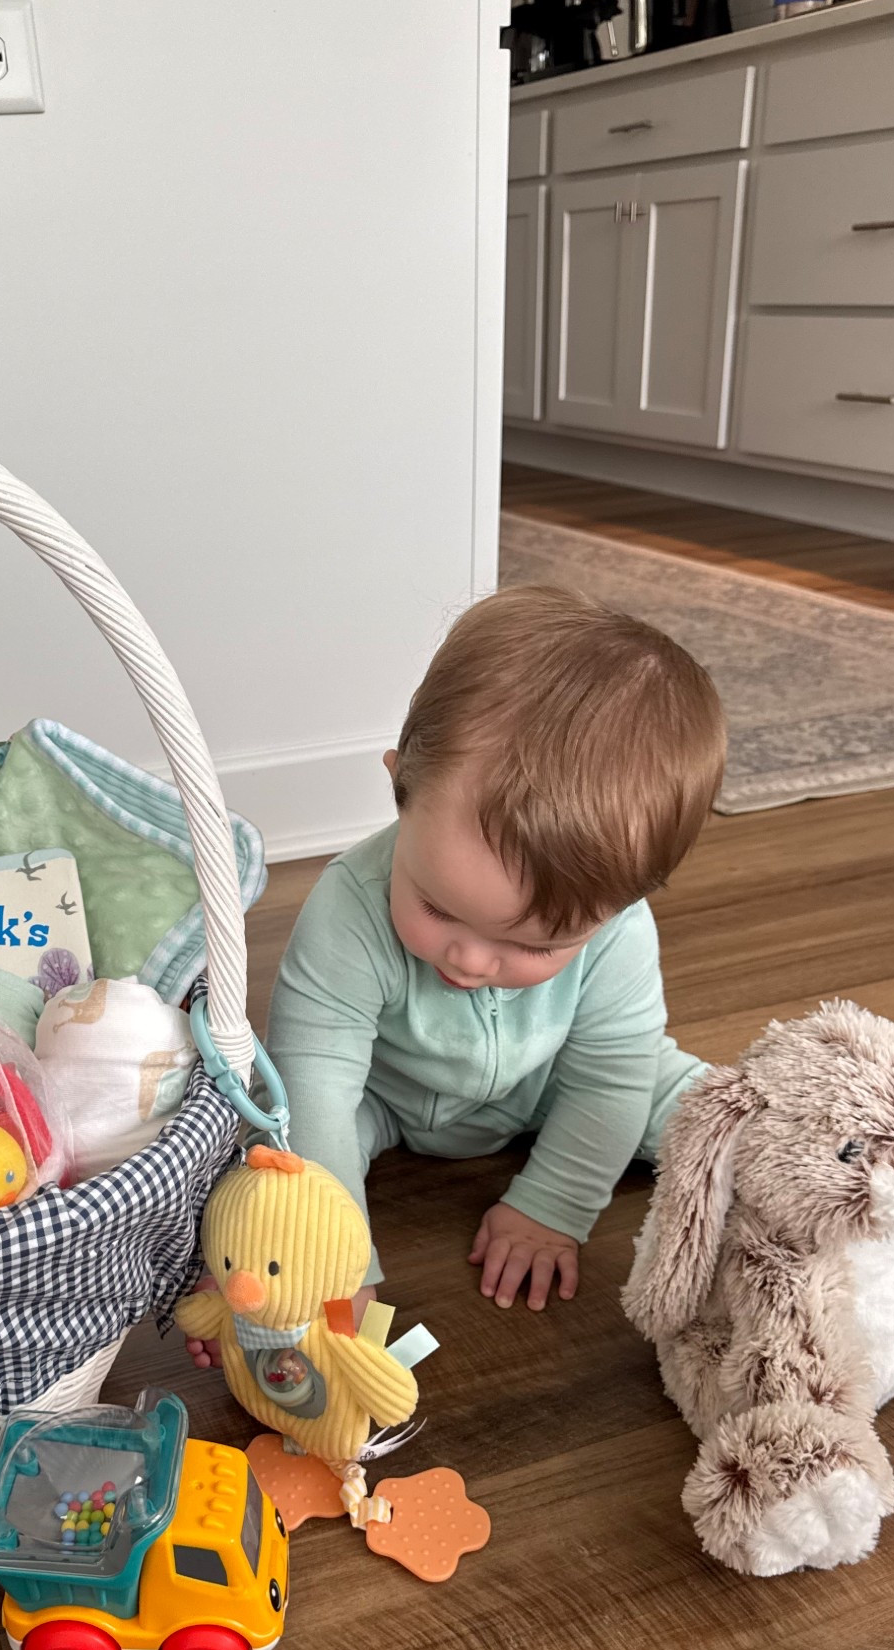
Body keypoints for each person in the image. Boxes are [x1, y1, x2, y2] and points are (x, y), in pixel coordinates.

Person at [185, 583, 725, 1367]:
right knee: (271, 1147)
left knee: (698, 1107)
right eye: (437, 908)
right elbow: (321, 1083)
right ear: (401, 784)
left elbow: (608, 1078)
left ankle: (829, 1161)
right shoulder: (348, 907)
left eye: (535, 947)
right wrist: (336, 1269)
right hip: (388, 1097)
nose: (469, 961)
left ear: (621, 904)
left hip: (550, 1081)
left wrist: (553, 1207)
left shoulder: (619, 933)